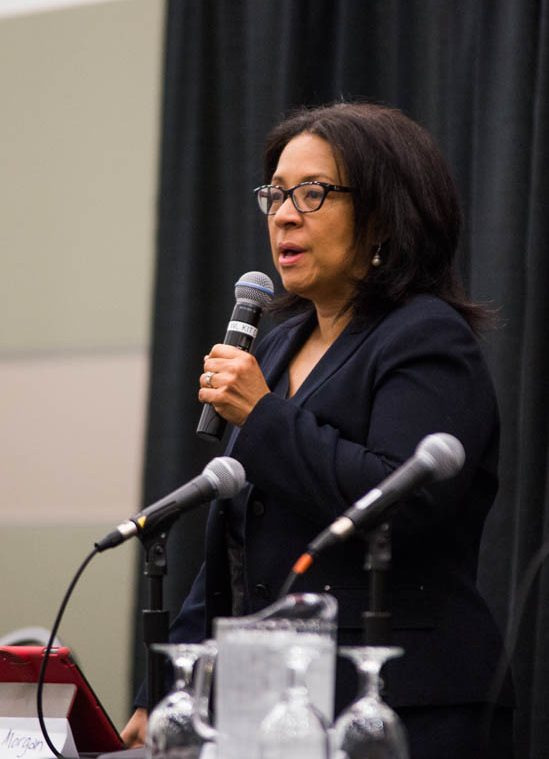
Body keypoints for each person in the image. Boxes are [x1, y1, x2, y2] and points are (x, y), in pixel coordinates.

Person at [122, 101, 514, 757]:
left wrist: (265, 415)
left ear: (385, 216)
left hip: (403, 703)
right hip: (278, 704)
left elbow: (401, 499)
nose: (283, 213)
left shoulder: (424, 336)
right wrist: (167, 685)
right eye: (274, 194)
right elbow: (232, 553)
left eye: (312, 193)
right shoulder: (275, 350)